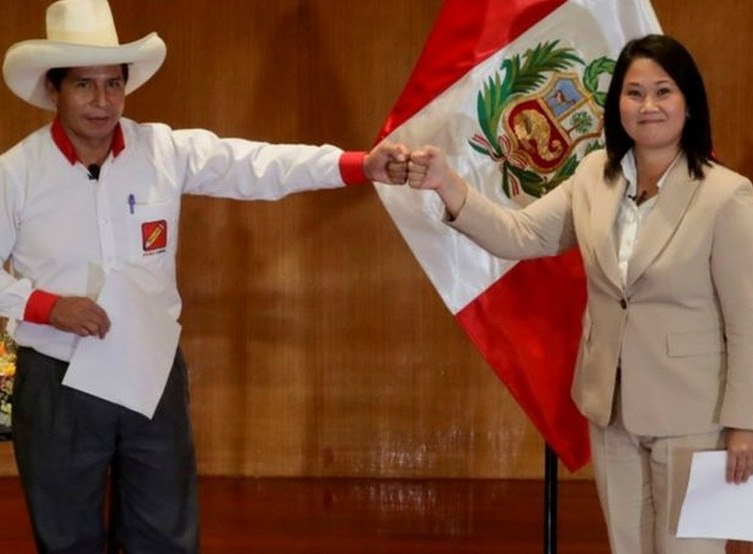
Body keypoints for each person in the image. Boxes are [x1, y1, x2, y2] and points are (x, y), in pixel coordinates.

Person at [0, 0, 408, 552]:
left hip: (151, 370)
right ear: (54, 89)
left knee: (165, 534)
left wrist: (360, 165)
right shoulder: (16, 172)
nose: (103, 102)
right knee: (67, 539)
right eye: (84, 86)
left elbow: (257, 165)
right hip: (56, 376)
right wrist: (47, 306)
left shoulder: (163, 149)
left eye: (113, 85)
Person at [407, 34, 753, 554]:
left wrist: (743, 425)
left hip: (696, 419)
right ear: (617, 105)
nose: (649, 106)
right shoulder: (594, 176)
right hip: (609, 407)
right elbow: (519, 234)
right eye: (634, 93)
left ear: (689, 102)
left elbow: (746, 320)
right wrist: (445, 183)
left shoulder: (727, 195)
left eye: (664, 91)